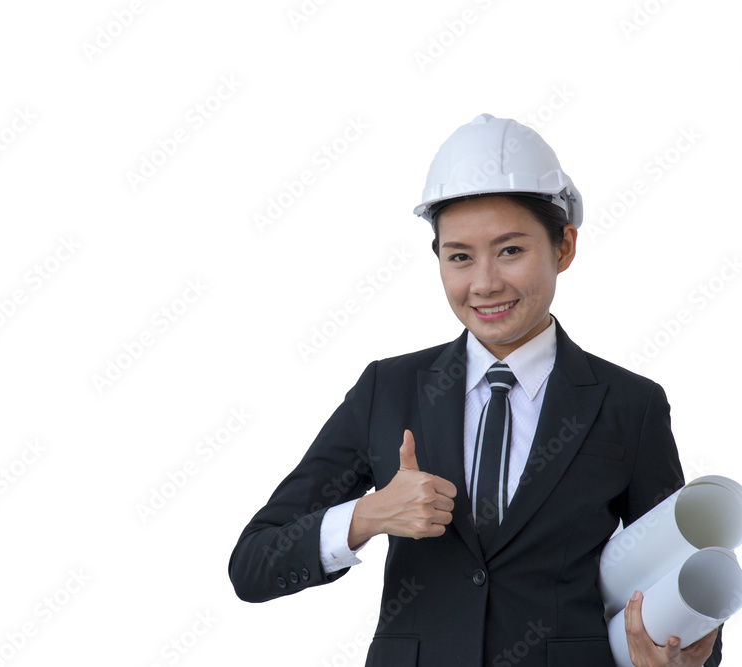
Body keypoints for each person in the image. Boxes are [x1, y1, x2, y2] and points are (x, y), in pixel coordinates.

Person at [228, 114, 722, 666]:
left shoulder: (630, 404)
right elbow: (253, 566)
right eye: (459, 256)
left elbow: (686, 585)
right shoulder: (387, 390)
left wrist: (684, 656)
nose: (484, 283)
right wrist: (369, 515)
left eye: (510, 250)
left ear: (564, 247)